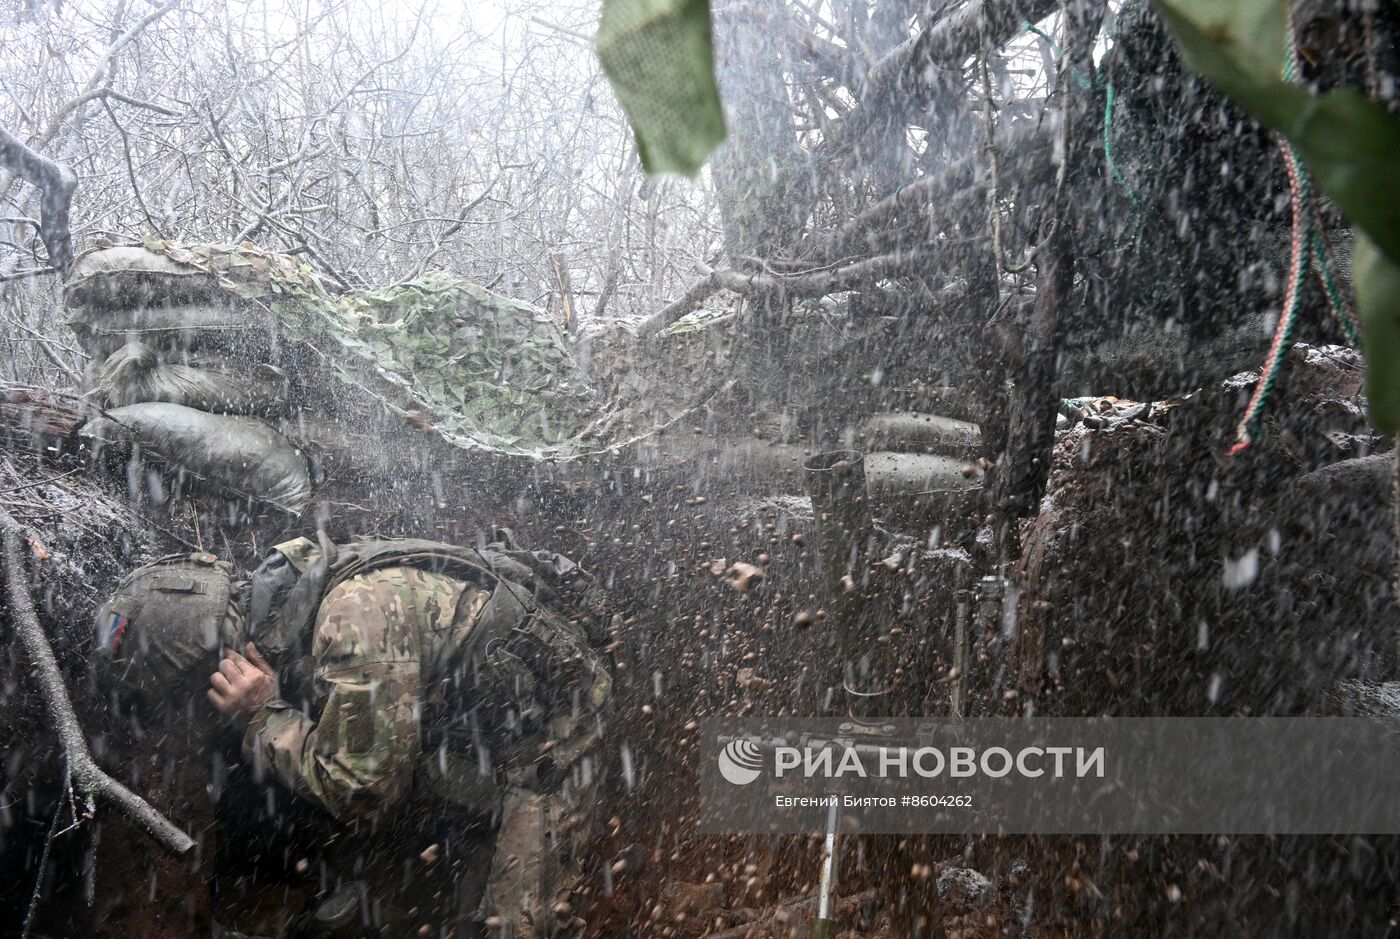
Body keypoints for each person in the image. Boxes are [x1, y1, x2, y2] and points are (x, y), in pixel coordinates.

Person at [93, 532, 612, 937]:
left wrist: (260, 715)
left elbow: (363, 791)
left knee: (518, 923)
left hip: (545, 737)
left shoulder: (353, 621)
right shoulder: (281, 596)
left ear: (220, 660)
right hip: (457, 731)